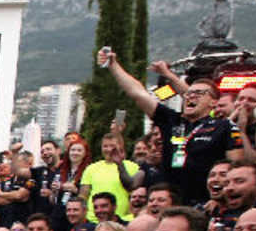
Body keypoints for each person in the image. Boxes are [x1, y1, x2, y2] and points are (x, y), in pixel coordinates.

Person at [98, 48, 242, 204]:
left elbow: (235, 167)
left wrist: (219, 199)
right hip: (170, 203)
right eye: (189, 93)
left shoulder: (224, 126)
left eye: (199, 93)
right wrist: (113, 65)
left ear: (213, 102)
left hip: (205, 202)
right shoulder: (171, 120)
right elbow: (138, 93)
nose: (191, 96)